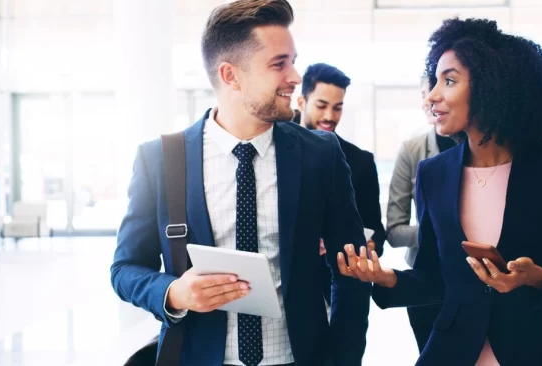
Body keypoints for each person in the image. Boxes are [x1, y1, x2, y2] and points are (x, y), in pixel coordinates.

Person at [110, 1, 371, 365]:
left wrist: (343, 358)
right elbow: (124, 269)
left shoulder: (320, 155)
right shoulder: (161, 159)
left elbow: (352, 270)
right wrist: (173, 293)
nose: (295, 76)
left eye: (293, 60)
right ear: (230, 75)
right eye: (279, 64)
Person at [337, 17, 542, 365]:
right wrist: (387, 278)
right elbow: (435, 279)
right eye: (434, 80)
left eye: (449, 81)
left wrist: (538, 278)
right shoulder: (433, 173)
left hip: (537, 351)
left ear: (490, 86)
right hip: (452, 353)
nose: (433, 95)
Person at [297, 62, 386, 304]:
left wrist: (369, 245)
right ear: (301, 103)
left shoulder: (361, 161)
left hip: (341, 292)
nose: (329, 117)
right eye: (321, 106)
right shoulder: (275, 153)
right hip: (287, 288)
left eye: (337, 108)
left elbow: (376, 229)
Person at [386, 74, 458, 352]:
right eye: (425, 93)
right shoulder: (412, 150)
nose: (430, 100)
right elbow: (394, 232)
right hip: (426, 282)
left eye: (442, 90)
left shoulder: (482, 150)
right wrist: (441, 231)